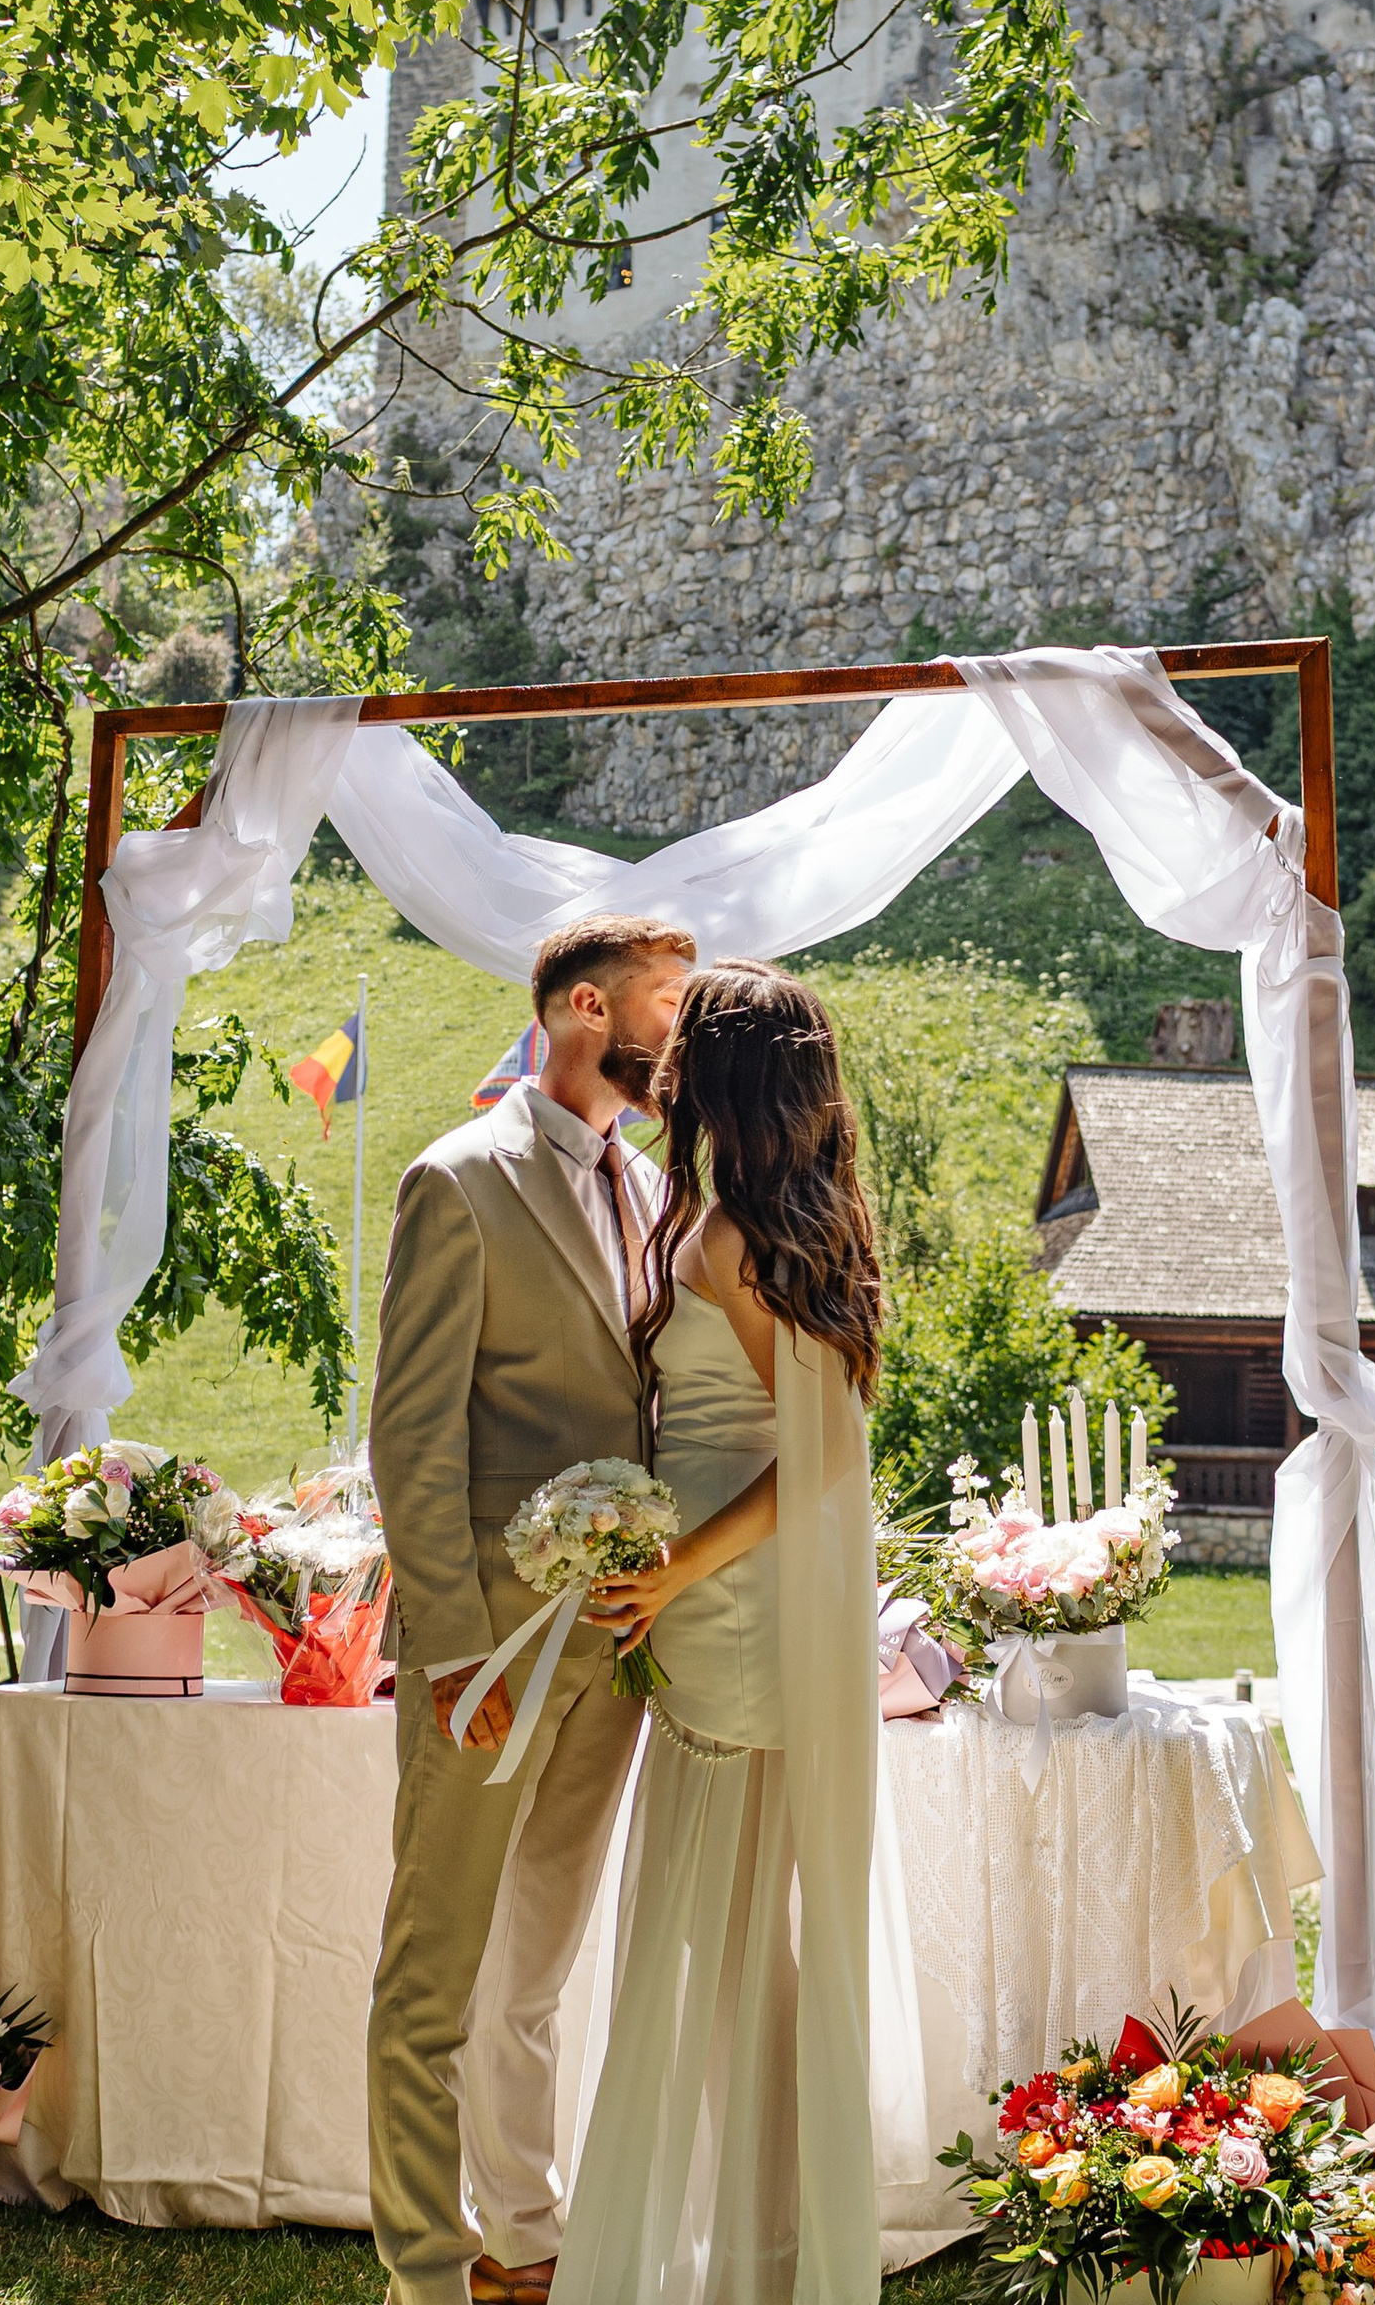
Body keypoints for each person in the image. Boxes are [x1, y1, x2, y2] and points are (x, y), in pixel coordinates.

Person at [367, 914, 696, 2305]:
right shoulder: (458, 1181)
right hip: (488, 1651)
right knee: (432, 1981)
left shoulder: (657, 1187)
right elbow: (410, 1438)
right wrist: (453, 1652)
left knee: (541, 1970)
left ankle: (526, 2237)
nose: (678, 1036)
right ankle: (427, 2274)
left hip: (613, 1656)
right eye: (663, 1008)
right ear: (580, 1008)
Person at [558, 960, 887, 2305]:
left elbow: (825, 1456)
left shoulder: (743, 1242)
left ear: (725, 1080)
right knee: (732, 1948)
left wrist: (673, 1571)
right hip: (714, 1612)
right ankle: (757, 2247)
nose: (662, 1058)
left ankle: (756, 2260)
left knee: (733, 1943)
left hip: (735, 1620)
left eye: (682, 1046)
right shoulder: (745, 1217)